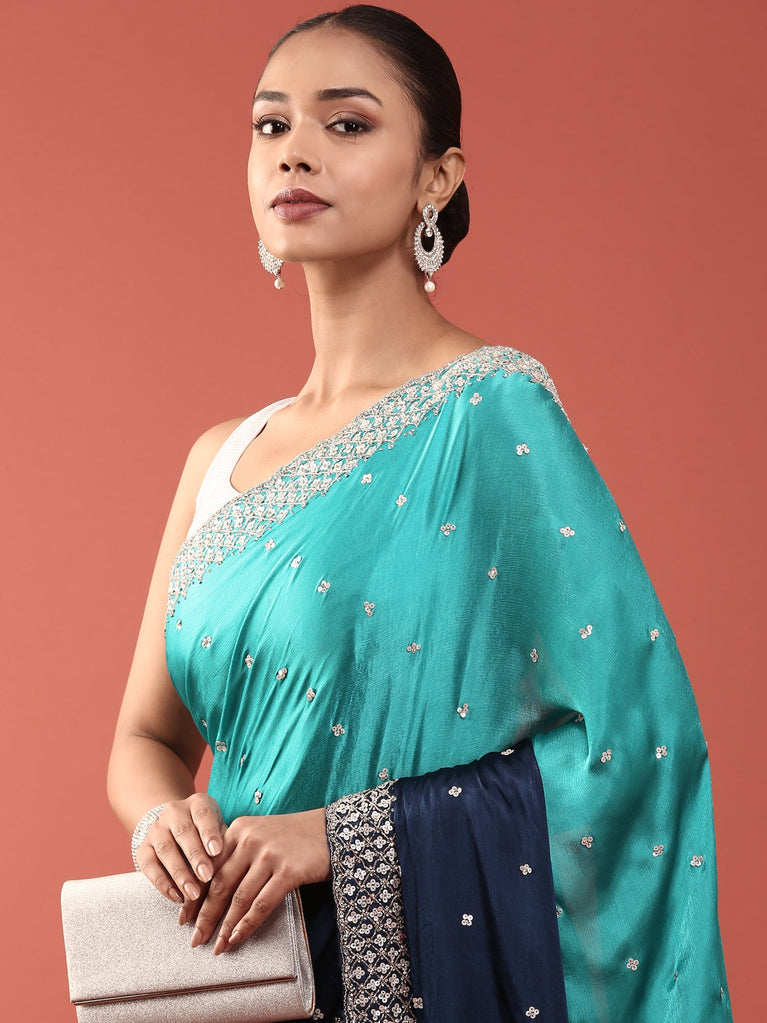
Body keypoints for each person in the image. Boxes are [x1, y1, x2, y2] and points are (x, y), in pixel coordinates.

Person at [108, 6, 731, 1021]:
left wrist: (338, 836)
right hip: (229, 972)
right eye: (270, 125)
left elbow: (632, 738)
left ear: (436, 178)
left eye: (346, 123)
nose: (294, 151)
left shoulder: (492, 412)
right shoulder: (217, 458)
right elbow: (145, 735)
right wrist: (160, 821)